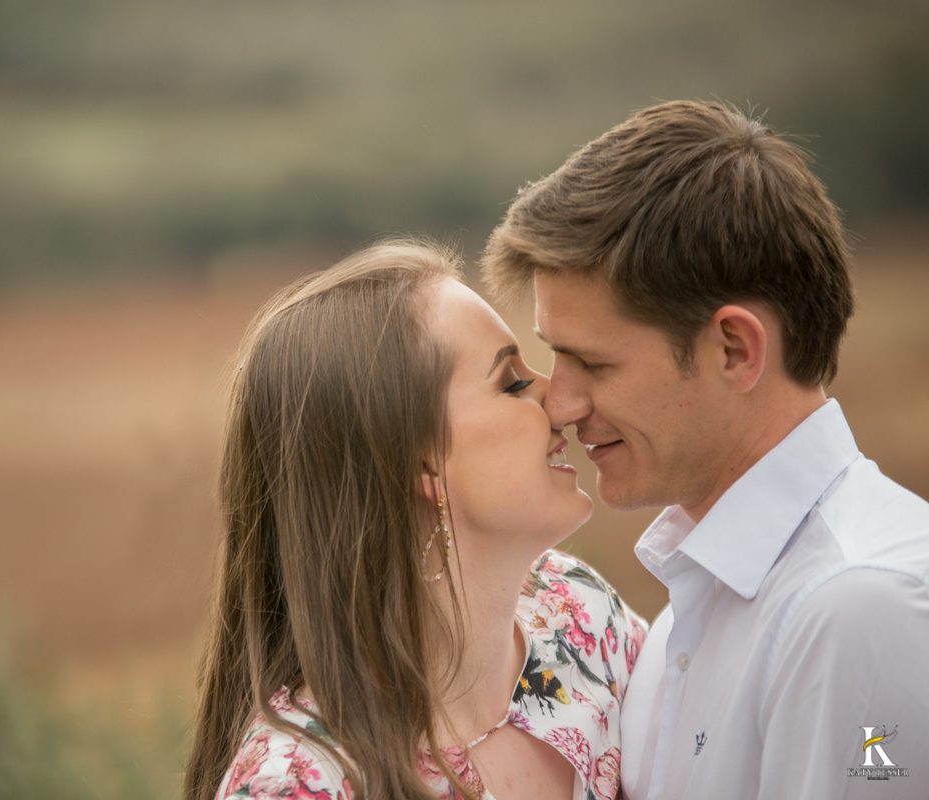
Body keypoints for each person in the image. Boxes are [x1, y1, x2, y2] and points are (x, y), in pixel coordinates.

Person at [481, 100, 929, 800]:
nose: (560, 405)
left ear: (734, 349)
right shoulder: (687, 616)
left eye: (593, 364)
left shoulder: (857, 609)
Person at [184, 241, 647, 800]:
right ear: (417, 459)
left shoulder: (579, 616)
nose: (561, 399)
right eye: (512, 382)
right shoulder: (299, 784)